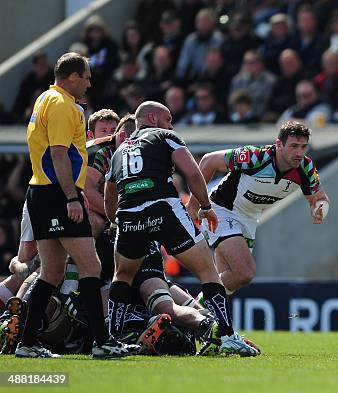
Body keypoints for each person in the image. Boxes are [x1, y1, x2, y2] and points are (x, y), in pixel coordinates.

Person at [104, 101, 258, 356]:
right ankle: (228, 336)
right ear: (152, 118)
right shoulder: (165, 136)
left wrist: (115, 221)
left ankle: (111, 341)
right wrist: (206, 206)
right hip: (163, 209)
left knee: (122, 277)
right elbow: (193, 173)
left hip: (129, 216)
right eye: (168, 119)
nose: (171, 124)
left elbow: (110, 193)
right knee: (207, 271)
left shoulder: (120, 152)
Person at [15, 52, 137, 359]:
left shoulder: (46, 98)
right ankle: (102, 342)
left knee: (52, 272)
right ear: (72, 77)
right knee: (91, 266)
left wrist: (99, 143)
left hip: (41, 193)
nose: (89, 83)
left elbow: (64, 149)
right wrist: (72, 197)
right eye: (86, 77)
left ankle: (26, 343)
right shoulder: (63, 105)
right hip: (58, 194)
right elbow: (58, 154)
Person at [186, 120, 330, 294]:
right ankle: (194, 307)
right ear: (279, 145)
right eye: (294, 146)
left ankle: (199, 312)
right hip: (222, 209)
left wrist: (319, 209)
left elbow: (320, 198)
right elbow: (208, 161)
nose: (299, 153)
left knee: (231, 280)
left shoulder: (305, 168)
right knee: (244, 272)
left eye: (303, 147)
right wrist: (194, 206)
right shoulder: (256, 157)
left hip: (250, 218)